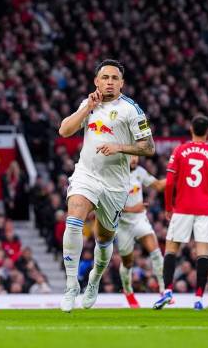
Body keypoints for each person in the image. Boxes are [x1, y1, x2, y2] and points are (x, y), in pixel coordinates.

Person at [57, 59, 155, 312]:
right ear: (96, 81)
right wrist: (86, 108)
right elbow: (64, 131)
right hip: (86, 175)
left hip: (115, 184)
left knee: (104, 238)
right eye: (105, 78)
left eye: (114, 78)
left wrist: (120, 146)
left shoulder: (132, 110)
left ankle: (94, 280)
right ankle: (70, 285)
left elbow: (149, 147)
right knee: (74, 215)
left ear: (122, 83)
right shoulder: (88, 104)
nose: (109, 82)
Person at [153, 114, 208, 311]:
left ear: (191, 129)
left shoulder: (180, 150)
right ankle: (198, 299)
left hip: (182, 207)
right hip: (205, 210)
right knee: (203, 253)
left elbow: (170, 182)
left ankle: (168, 292)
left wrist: (168, 207)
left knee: (171, 249)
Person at [117, 155, 166, 308]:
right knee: (128, 263)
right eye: (131, 157)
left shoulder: (139, 171)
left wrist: (176, 174)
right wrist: (132, 208)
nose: (135, 160)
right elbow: (108, 203)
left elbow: (158, 185)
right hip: (123, 224)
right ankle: (128, 290)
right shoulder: (115, 175)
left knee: (156, 252)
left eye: (136, 156)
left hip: (139, 220)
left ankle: (164, 290)